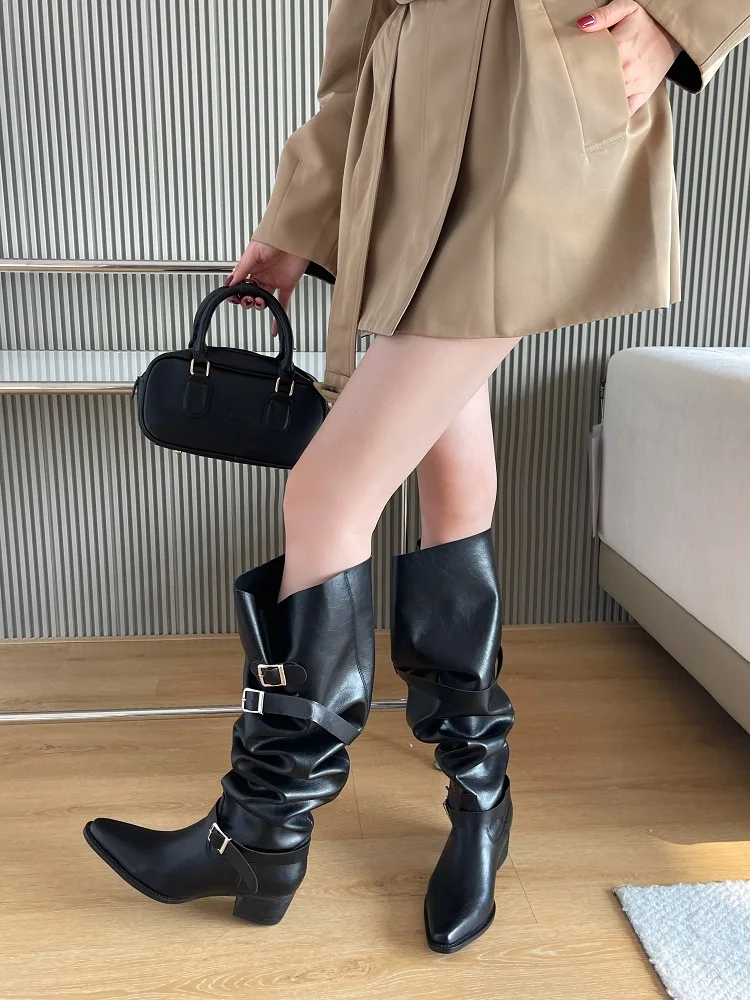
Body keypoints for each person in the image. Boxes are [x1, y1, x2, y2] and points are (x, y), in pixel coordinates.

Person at [83, 0, 750, 955]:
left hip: (540, 114)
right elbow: (357, 48)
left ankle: (262, 830)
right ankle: (480, 797)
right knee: (452, 475)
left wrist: (682, 18)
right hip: (409, 150)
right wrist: (297, 220)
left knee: (324, 496)